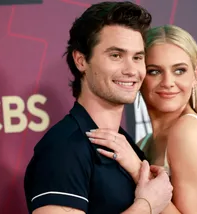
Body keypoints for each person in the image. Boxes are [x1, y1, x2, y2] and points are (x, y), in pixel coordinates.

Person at [23, 2, 173, 214]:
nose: (131, 70)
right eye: (116, 55)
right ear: (81, 60)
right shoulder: (63, 149)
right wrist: (147, 206)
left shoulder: (126, 145)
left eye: (137, 57)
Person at [88, 25, 197, 214]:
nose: (168, 82)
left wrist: (137, 169)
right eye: (154, 71)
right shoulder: (144, 143)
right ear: (140, 76)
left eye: (179, 71)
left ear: (196, 75)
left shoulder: (188, 131)